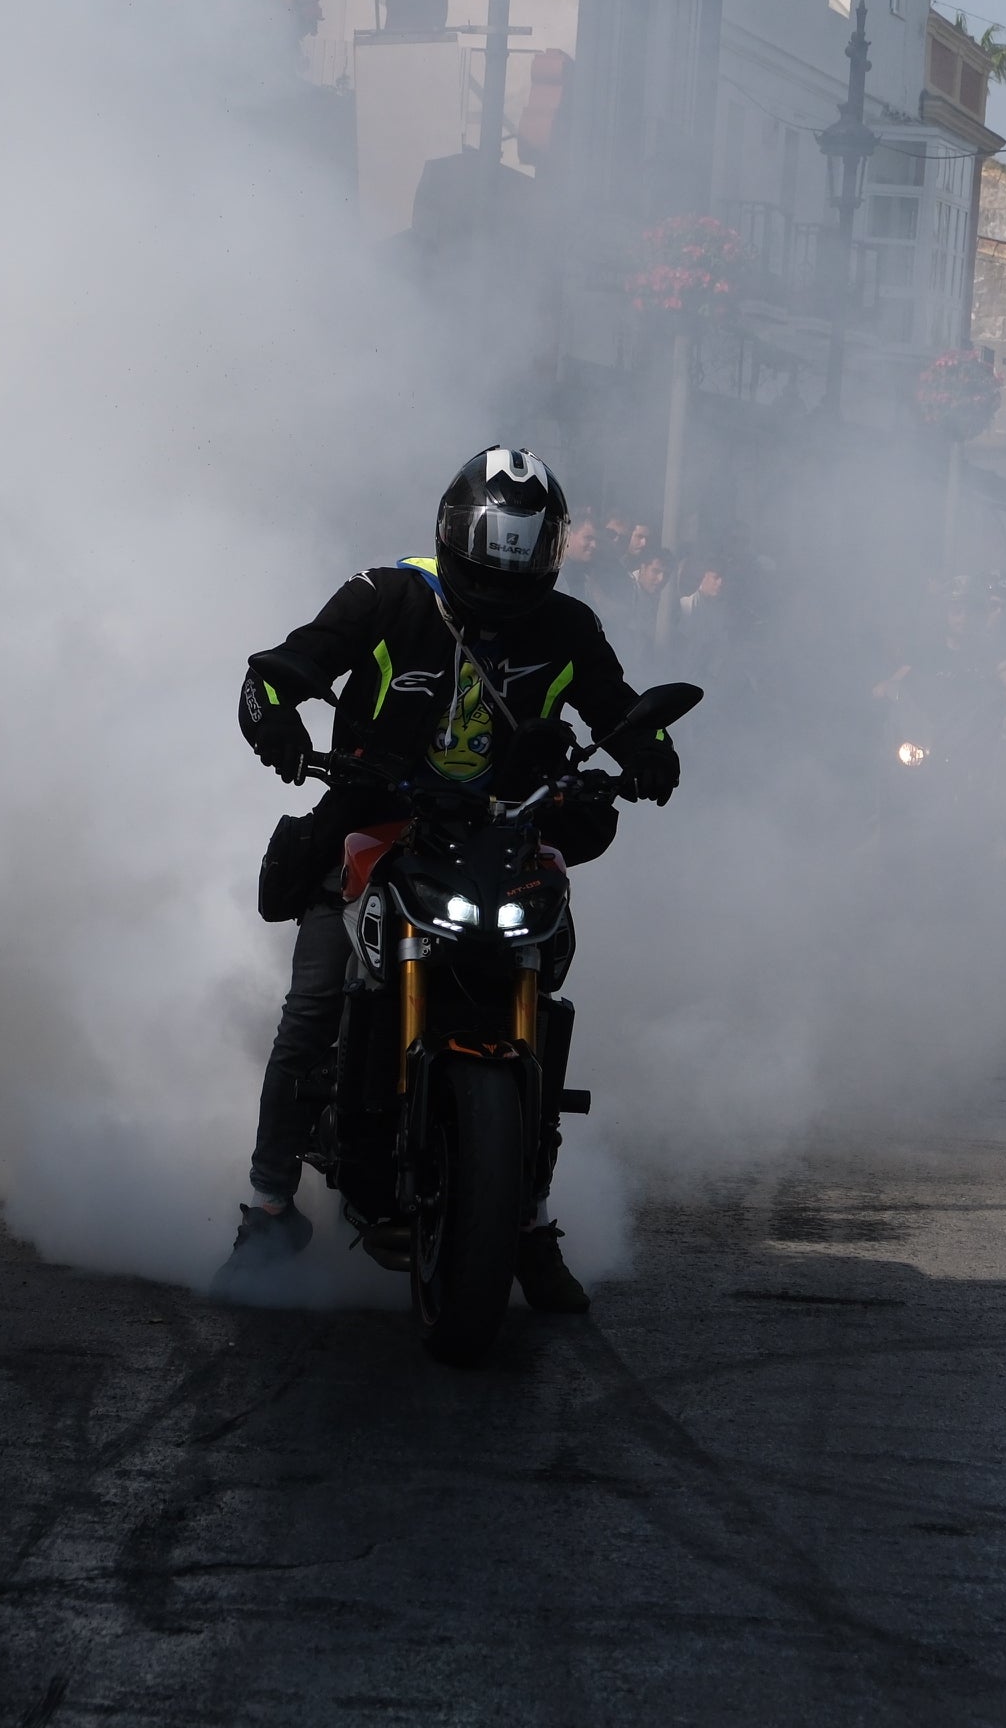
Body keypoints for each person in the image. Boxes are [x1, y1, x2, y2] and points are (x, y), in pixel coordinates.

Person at [222, 448, 679, 1308]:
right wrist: (276, 719)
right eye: (484, 569)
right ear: (452, 538)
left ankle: (529, 1215)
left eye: (519, 572)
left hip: (507, 835)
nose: (500, 591)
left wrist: (649, 750)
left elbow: (617, 708)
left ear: (547, 557)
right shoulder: (385, 596)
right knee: (314, 1003)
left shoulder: (568, 628)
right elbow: (275, 673)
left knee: (544, 979)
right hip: (377, 824)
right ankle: (269, 1207)